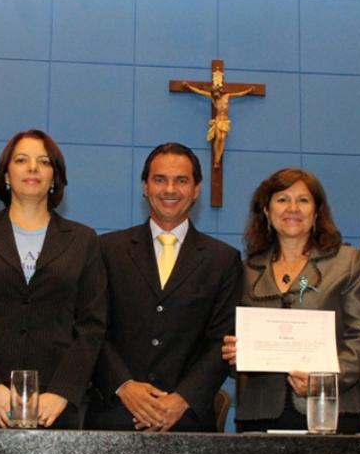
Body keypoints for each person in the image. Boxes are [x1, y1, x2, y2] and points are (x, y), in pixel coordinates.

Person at [0, 130, 106, 429]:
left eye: (43, 162)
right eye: (21, 160)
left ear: (54, 177)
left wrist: (62, 391)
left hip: (54, 407)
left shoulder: (83, 240)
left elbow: (92, 325)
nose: (33, 168)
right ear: (6, 174)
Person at [86, 142, 243, 432]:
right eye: (160, 179)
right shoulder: (106, 250)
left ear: (197, 189)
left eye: (181, 180)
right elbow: (92, 328)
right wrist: (124, 386)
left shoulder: (223, 259)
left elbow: (221, 340)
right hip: (114, 415)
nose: (170, 189)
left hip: (187, 420)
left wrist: (182, 399)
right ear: (145, 186)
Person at [220, 168, 360, 432]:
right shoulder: (245, 270)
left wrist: (325, 381)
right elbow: (232, 340)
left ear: (316, 212)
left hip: (333, 410)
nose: (292, 208)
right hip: (260, 415)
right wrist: (236, 354)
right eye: (282, 200)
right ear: (267, 212)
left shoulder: (348, 262)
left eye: (303, 200)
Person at [183, 69, 255, 167]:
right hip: (218, 120)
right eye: (214, 92)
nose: (216, 94)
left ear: (220, 91)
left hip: (225, 121)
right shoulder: (212, 98)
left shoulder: (227, 97)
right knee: (218, 138)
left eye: (217, 92)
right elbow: (200, 92)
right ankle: (216, 159)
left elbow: (239, 94)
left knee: (223, 138)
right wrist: (189, 87)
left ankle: (218, 158)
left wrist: (248, 91)